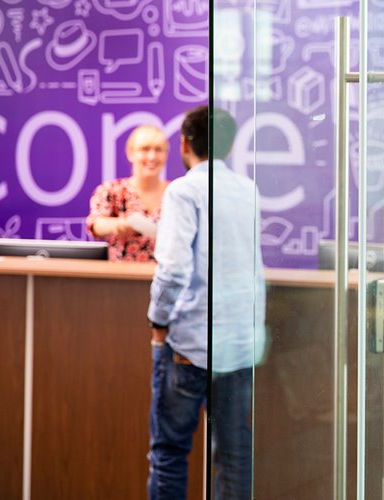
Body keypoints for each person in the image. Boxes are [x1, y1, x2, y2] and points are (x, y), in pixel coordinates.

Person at [146, 106, 265, 499]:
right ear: (229, 146)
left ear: (184, 144)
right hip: (239, 344)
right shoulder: (247, 190)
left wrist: (158, 321)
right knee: (234, 456)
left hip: (190, 343)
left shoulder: (183, 191)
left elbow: (173, 269)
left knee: (169, 451)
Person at [87, 124, 169, 261]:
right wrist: (119, 225)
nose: (152, 156)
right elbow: (95, 224)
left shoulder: (176, 192)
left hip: (168, 272)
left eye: (159, 150)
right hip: (122, 272)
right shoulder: (112, 190)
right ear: (130, 153)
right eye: (145, 149)